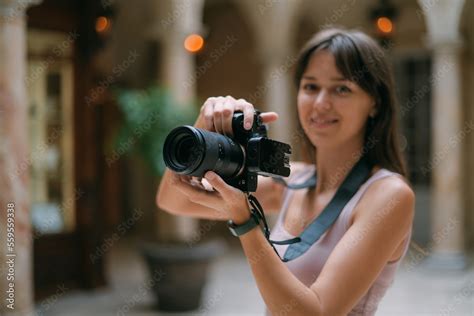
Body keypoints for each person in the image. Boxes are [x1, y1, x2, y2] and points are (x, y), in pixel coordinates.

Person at [156, 28, 414, 315]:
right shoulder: (293, 181)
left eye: (342, 88)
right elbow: (172, 201)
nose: (320, 104)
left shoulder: (389, 195)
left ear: (375, 103)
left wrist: (245, 221)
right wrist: (203, 126)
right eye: (311, 87)